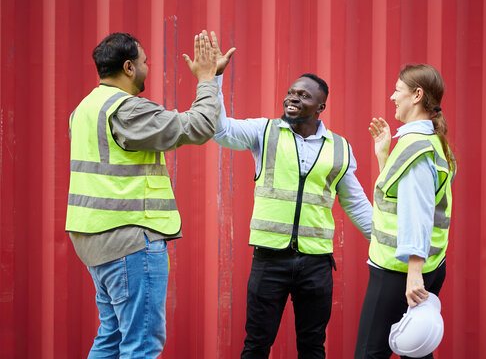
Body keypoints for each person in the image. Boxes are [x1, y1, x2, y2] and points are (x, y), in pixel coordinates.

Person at [65, 31, 234, 358]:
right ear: (129, 67)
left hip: (95, 239)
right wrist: (207, 79)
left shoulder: (85, 108)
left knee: (111, 337)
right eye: (144, 62)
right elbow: (197, 126)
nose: (147, 67)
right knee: (141, 346)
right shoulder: (126, 111)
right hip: (128, 240)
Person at [212, 46, 372, 358]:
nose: (293, 99)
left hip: (316, 264)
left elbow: (356, 204)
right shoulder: (264, 131)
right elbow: (220, 130)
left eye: (303, 95)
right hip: (269, 261)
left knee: (312, 347)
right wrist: (216, 78)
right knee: (256, 345)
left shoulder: (340, 147)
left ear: (320, 106)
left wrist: (386, 244)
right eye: (290, 92)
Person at [354, 64, 456, 359]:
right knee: (416, 351)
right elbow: (406, 199)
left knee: (368, 354)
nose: (392, 97)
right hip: (428, 266)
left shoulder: (415, 147)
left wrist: (414, 274)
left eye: (398, 90)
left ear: (417, 95)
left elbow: (418, 213)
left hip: (398, 272)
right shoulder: (431, 142)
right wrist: (384, 154)